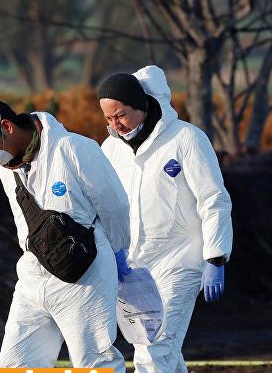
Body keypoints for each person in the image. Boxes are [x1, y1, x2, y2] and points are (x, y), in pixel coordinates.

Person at [0, 98, 130, 372]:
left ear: (7, 127)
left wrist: (118, 254)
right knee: (15, 363)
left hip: (85, 276)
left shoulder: (74, 149)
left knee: (93, 363)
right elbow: (22, 227)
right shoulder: (8, 172)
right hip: (34, 276)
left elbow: (115, 207)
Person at [98, 65, 233, 373]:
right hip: (132, 267)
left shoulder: (186, 139)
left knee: (153, 348)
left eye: (120, 115)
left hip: (180, 259)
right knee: (163, 352)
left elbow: (214, 199)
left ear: (142, 105)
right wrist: (112, 252)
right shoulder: (110, 149)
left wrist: (216, 257)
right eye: (107, 118)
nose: (114, 124)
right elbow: (105, 206)